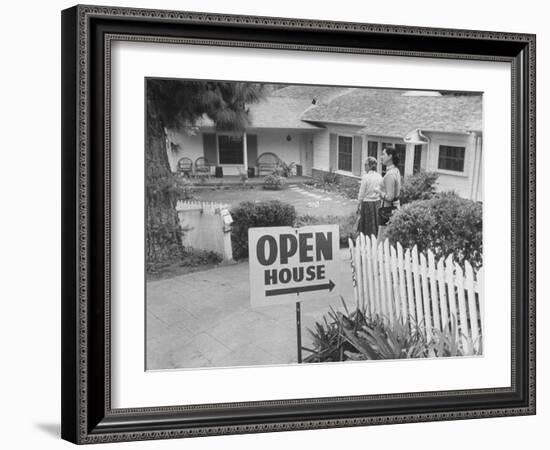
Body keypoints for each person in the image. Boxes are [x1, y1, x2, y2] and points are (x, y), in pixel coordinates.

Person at [376, 147, 401, 240]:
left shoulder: (390, 174)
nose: (381, 157)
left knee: (383, 240)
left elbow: (390, 197)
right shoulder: (396, 170)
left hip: (387, 211)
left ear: (390, 156)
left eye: (383, 154)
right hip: (395, 208)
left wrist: (378, 192)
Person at [356, 157, 383, 239]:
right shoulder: (379, 176)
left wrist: (358, 205)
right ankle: (375, 239)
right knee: (375, 223)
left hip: (367, 203)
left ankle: (368, 240)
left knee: (367, 225)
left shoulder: (366, 177)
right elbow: (381, 189)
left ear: (370, 166)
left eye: (366, 164)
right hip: (377, 203)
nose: (364, 166)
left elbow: (361, 193)